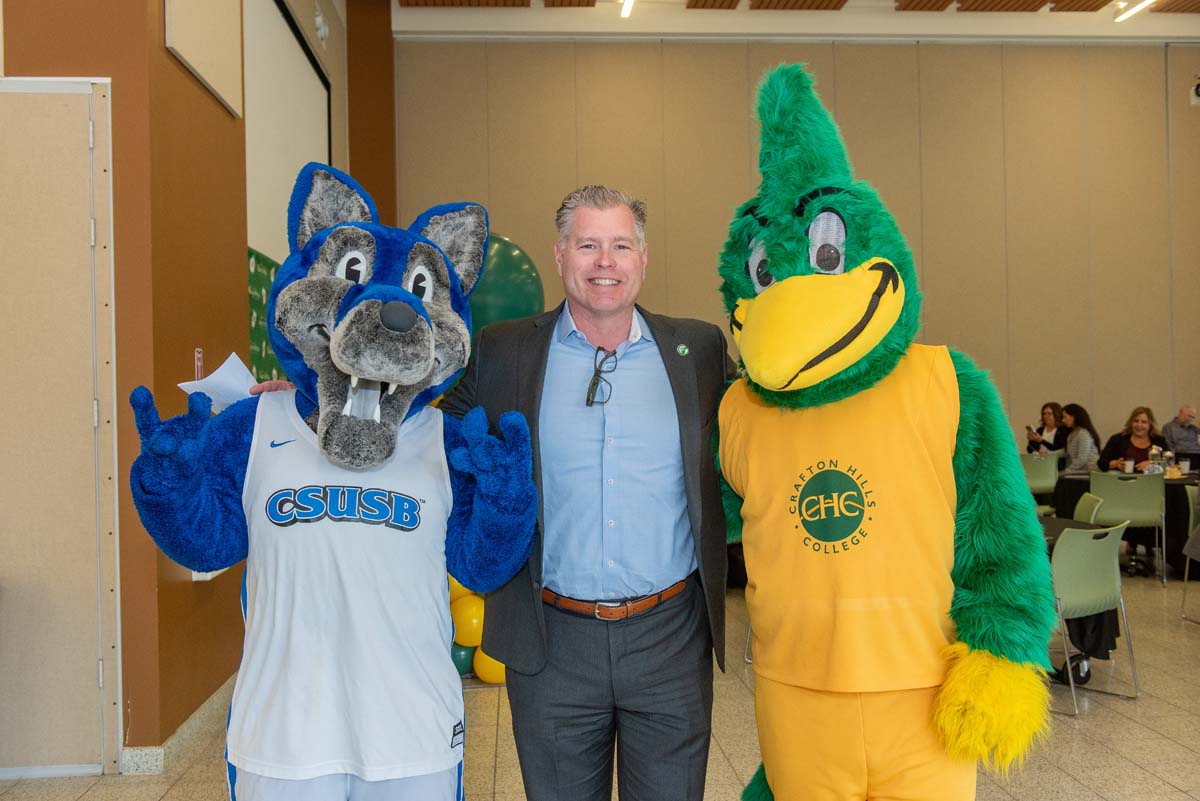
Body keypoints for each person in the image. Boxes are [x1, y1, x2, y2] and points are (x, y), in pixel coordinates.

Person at [439, 186, 734, 801]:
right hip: (550, 641)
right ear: (560, 255)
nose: (606, 262)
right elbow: (426, 424)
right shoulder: (504, 350)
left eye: (621, 245)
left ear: (644, 259)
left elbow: (778, 409)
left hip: (671, 638)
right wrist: (312, 396)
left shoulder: (699, 351)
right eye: (589, 245)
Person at [1099, 406, 1168, 472]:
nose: (1139, 425)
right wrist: (1116, 464)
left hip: (1152, 482)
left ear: (1150, 425)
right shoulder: (1117, 439)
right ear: (1131, 423)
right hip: (1123, 482)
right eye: (1136, 421)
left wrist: (1153, 464)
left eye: (1143, 422)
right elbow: (1101, 463)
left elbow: (1170, 461)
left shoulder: (1159, 440)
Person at [1060, 402, 1101, 473]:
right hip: (1080, 471)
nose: (1063, 420)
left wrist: (1066, 471)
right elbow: (1065, 452)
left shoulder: (1083, 433)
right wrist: (1049, 453)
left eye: (1064, 417)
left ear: (1073, 417)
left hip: (1089, 472)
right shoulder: (1072, 433)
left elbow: (1082, 459)